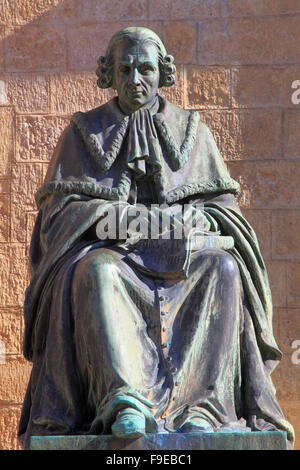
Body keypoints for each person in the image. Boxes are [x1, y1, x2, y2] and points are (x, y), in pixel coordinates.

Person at [18, 27, 294, 449]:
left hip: (186, 261)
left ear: (163, 73)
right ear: (108, 74)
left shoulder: (193, 132)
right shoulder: (82, 133)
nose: (135, 80)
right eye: (124, 69)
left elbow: (226, 212)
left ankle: (201, 408)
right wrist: (114, 219)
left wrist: (196, 223)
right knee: (94, 271)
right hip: (115, 257)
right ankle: (124, 401)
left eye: (145, 69)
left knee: (222, 268)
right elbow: (56, 217)